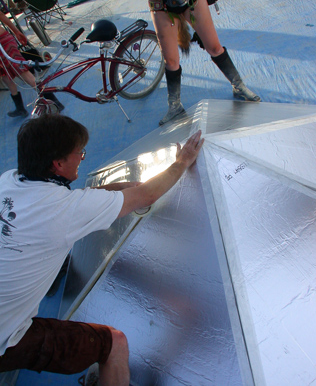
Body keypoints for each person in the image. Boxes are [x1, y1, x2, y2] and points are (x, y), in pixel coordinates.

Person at [0, 114, 204, 386]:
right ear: (58, 164)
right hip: (7, 338)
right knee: (115, 343)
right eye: (80, 154)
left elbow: (62, 204)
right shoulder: (64, 212)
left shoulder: (9, 181)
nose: (83, 158)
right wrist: (182, 162)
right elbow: (147, 196)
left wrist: (109, 191)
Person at [97, 0, 261, 125]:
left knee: (214, 47)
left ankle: (238, 85)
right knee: (171, 61)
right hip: (160, 5)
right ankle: (175, 107)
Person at [0, 10, 63, 118]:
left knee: (22, 72)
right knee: (5, 76)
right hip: (5, 41)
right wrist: (16, 32)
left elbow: (1, 15)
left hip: (3, 43)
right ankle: (20, 108)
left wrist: (16, 32)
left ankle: (54, 101)